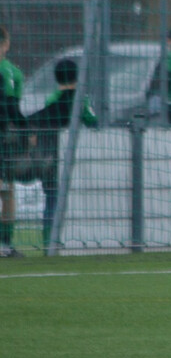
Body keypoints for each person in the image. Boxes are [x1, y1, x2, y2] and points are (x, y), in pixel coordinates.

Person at [23, 59, 98, 248]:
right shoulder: (81, 99)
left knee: (51, 198)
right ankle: (73, 240)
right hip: (72, 159)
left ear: (56, 78)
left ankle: (49, 241)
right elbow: (92, 122)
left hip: (49, 157)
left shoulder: (51, 100)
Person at [0, 25, 26, 258]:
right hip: (3, 138)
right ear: (6, 44)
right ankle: (5, 243)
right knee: (6, 191)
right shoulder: (11, 72)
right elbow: (12, 108)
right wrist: (26, 131)